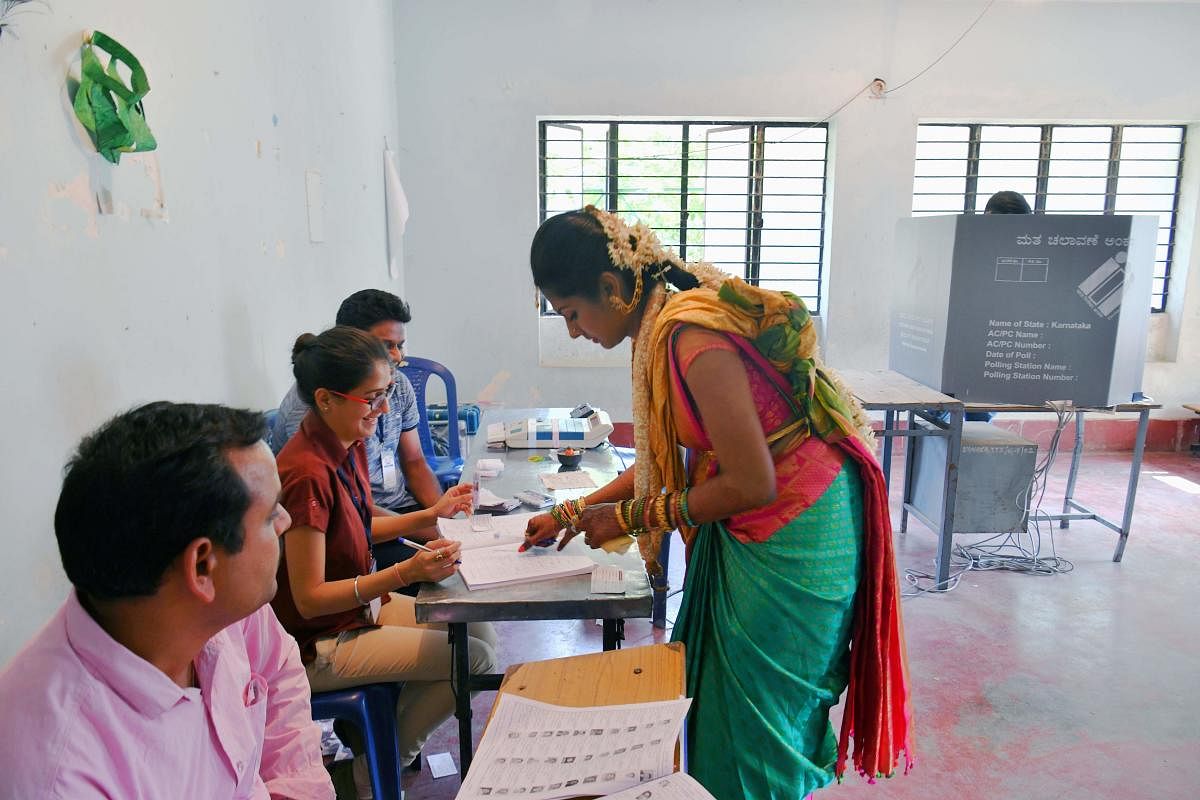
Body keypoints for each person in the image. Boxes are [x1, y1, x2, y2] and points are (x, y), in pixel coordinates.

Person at [523, 207, 914, 799]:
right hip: (760, 517)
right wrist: (574, 512)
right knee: (724, 708)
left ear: (611, 287)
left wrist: (626, 518)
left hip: (796, 525)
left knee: (762, 716)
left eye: (572, 313)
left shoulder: (690, 339)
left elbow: (752, 482)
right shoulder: (658, 330)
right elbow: (662, 465)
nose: (573, 330)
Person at [0, 402, 334, 799]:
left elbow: (278, 671)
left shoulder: (225, 609)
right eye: (268, 515)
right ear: (202, 566)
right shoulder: (59, 774)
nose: (286, 521)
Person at [271, 325, 499, 774]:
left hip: (359, 611)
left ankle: (374, 741)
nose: (383, 408)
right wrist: (405, 573)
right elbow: (309, 597)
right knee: (474, 659)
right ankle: (380, 768)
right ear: (325, 399)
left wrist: (431, 514)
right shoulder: (305, 473)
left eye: (387, 392)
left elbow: (358, 522)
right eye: (372, 398)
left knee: (477, 632)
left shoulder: (344, 440)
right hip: (321, 641)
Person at [270, 289, 444, 577]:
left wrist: (439, 517)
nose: (397, 357)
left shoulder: (355, 437)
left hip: (382, 519)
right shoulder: (318, 431)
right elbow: (313, 595)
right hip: (350, 540)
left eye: (400, 345)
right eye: (385, 345)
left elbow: (413, 462)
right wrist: (428, 532)